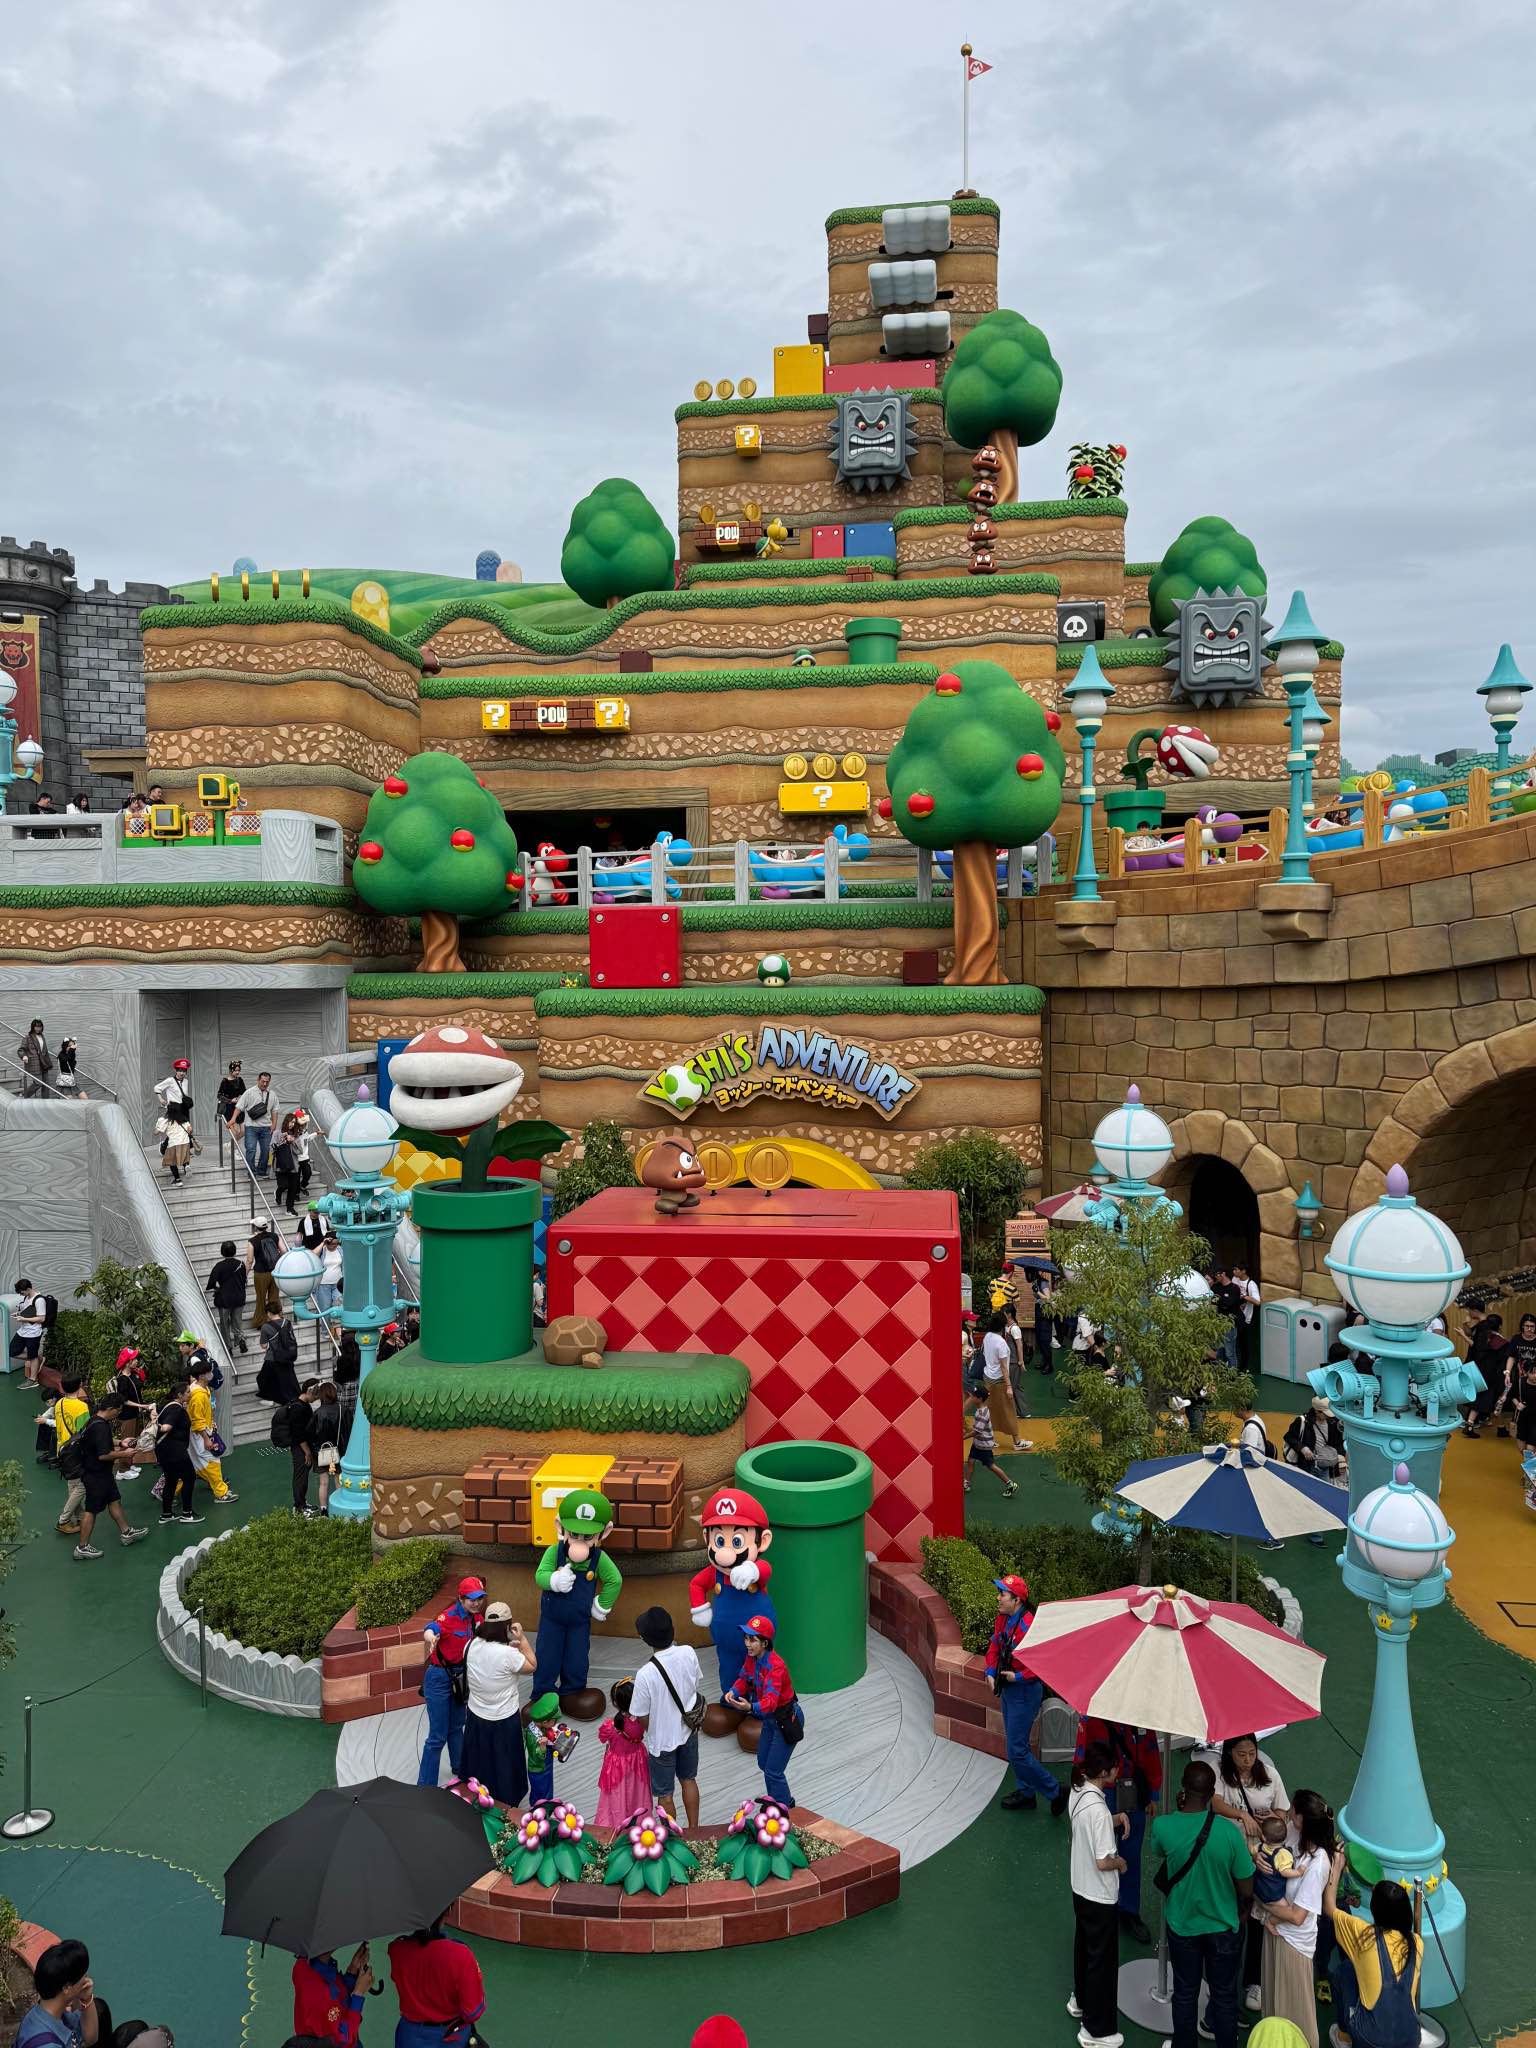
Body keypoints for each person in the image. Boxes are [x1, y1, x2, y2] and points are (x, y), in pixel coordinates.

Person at [1150, 1758, 1255, 2048]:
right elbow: (1247, 1886)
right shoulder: (1228, 1833)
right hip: (1223, 1927)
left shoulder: (1163, 1826)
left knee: (1185, 1993)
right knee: (1224, 1996)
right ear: (1211, 1794)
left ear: (1183, 1788)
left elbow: (1160, 1850)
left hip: (1183, 1926)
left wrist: (1178, 1810)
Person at [1198, 1733, 1290, 2004]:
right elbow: (1215, 1802)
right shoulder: (1218, 1771)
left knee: (1257, 1920)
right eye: (1241, 1754)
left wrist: (1273, 1817)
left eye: (1252, 1753)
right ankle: (1218, 1975)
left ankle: (1253, 1982)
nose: (1248, 1759)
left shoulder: (1270, 1774)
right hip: (1227, 1857)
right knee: (1226, 1915)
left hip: (1261, 1860)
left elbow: (1282, 1811)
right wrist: (1242, 1815)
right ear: (1229, 1753)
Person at [1074, 1716, 1163, 1943]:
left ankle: (1129, 1910)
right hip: (1102, 1790)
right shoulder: (1092, 1717)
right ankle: (1100, 1906)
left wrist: (1153, 1792)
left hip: (1133, 1790)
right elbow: (1081, 1756)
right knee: (1098, 1853)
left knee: (1131, 1853)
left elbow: (1151, 1751)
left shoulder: (1142, 1714)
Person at [1068, 1739, 1131, 2048]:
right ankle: (1096, 2030)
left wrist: (1116, 1818)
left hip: (1079, 1888)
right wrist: (1121, 1863)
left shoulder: (1077, 1790)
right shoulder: (1099, 1812)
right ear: (1105, 1772)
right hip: (1100, 1896)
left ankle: (1080, 2000)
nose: (1118, 1771)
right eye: (1114, 1768)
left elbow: (1089, 1826)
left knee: (1085, 1948)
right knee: (1102, 1964)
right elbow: (1104, 1861)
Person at [1255, 1800, 1333, 2047]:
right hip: (1276, 1933)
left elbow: (1298, 1917)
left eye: (1292, 1813)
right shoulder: (1292, 1836)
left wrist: (1263, 1904)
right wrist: (1258, 1857)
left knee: (1295, 2015)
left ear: (1303, 1821)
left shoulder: (1318, 1863)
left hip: (1293, 1944)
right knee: (1274, 2006)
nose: (1287, 1815)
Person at [986, 1574, 1066, 1815]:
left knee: (1017, 1751)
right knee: (1016, 1746)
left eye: (1002, 1594)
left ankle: (1055, 1790)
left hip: (1024, 1692)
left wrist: (1018, 1677)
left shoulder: (1029, 1625)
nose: (998, 1598)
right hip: (1009, 1689)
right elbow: (994, 1646)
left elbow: (1043, 1664)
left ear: (1017, 1600)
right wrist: (990, 1671)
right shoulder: (1003, 1618)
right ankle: (1026, 1793)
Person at [1323, 1860, 1422, 2048]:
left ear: (1375, 1909)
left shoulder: (1363, 1933)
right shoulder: (1417, 1942)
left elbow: (1329, 1907)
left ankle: (1344, 2038)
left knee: (1345, 1971)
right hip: (1410, 2038)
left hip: (1371, 2040)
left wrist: (1336, 1867)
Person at [630, 1604, 704, 1828]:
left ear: (645, 1639)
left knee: (665, 1794)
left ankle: (671, 1837)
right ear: (672, 1629)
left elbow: (641, 1715)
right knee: (689, 1780)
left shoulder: (645, 1674)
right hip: (689, 1731)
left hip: (661, 1741)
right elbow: (694, 1685)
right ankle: (694, 1831)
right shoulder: (688, 1652)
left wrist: (656, 1728)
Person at [725, 1613, 803, 1811]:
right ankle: (775, 1799)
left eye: (752, 1639)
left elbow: (770, 1702)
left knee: (773, 1770)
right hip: (769, 1719)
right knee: (764, 1763)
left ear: (765, 1643)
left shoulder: (776, 1667)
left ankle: (784, 1807)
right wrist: (734, 1691)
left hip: (786, 1719)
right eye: (746, 1638)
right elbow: (744, 1679)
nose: (747, 1643)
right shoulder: (752, 1658)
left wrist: (750, 1707)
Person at [460, 1598, 532, 1807]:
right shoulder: (509, 1654)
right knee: (504, 1765)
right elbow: (532, 1665)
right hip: (504, 1718)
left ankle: (476, 1795)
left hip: (476, 1714)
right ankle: (506, 1804)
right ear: (507, 1626)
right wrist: (522, 1640)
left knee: (479, 1761)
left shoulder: (470, 1645)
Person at [417, 1575, 489, 1786]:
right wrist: (431, 1638)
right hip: (439, 1678)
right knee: (437, 1735)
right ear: (461, 1598)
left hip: (461, 1677)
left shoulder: (478, 1619)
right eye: (472, 1599)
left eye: (480, 1598)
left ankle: (460, 1768)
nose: (476, 1603)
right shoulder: (447, 1617)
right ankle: (425, 1786)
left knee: (457, 1726)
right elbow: (431, 1628)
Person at [387, 1917, 487, 2048]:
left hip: (408, 2037)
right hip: (450, 2039)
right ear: (446, 1914)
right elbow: (473, 2013)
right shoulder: (461, 1954)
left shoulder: (396, 1949)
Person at [73, 1390, 149, 1559]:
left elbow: (102, 1441)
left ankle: (126, 1532)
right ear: (111, 1408)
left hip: (101, 1473)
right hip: (96, 1474)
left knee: (114, 1500)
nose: (119, 1413)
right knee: (91, 1510)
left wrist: (120, 1442)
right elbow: (103, 1454)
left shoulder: (95, 1420)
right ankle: (82, 1547)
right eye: (119, 1410)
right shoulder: (100, 1426)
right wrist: (124, 1454)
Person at [17, 1937, 113, 2046]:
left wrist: (86, 1999)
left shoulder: (55, 2011)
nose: (87, 1980)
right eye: (84, 1976)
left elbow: (91, 2039)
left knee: (100, 2007)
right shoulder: (46, 2043)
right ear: (67, 1987)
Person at [1284, 1397, 1348, 1542]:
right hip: (1307, 1465)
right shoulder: (1302, 1421)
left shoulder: (1332, 1422)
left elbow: (1338, 1442)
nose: (1327, 1416)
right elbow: (1290, 1437)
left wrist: (1340, 1457)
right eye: (1324, 1413)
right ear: (1317, 1411)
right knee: (1309, 1497)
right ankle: (1312, 1531)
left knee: (1321, 1498)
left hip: (1324, 1466)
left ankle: (1315, 1534)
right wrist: (1303, 1448)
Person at [595, 1677, 652, 1827]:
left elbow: (602, 1738)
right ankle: (640, 1822)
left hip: (616, 1765)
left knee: (617, 1794)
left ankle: (614, 1823)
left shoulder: (609, 1726)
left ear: (615, 1703)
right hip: (638, 1761)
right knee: (637, 1791)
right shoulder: (641, 1721)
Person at [291, 1945, 371, 2047]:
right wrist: (358, 1994)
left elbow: (337, 2001)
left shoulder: (314, 1969)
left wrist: (352, 1971)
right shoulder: (320, 1991)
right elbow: (342, 2040)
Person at [186, 1354, 237, 1505]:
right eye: (209, 1371)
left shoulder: (201, 1389)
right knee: (212, 1462)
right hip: (200, 1435)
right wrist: (206, 1438)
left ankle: (164, 1491)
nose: (211, 1373)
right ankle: (221, 1493)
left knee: (195, 1465)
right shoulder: (198, 1395)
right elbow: (197, 1420)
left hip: (201, 1433)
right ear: (202, 1375)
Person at [153, 1379, 202, 1528]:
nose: (190, 1394)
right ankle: (187, 1513)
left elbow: (154, 1411)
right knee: (189, 1477)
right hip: (175, 1451)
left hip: (163, 1451)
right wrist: (161, 1427)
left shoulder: (167, 1405)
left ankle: (166, 1514)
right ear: (180, 1395)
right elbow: (166, 1427)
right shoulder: (176, 1409)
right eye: (187, 1392)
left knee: (171, 1480)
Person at [981, 1310, 1032, 1451]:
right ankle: (1017, 1442)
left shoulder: (987, 1336)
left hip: (987, 1378)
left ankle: (989, 1439)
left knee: (990, 1409)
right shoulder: (1001, 1343)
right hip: (1000, 1381)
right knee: (1009, 1410)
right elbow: (1004, 1367)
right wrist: (1009, 1386)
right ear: (1003, 1325)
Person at [53, 1372, 91, 1535]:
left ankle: (79, 1517)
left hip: (62, 1449)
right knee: (82, 1485)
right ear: (80, 1385)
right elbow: (84, 1432)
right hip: (76, 1452)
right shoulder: (81, 1407)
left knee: (73, 1485)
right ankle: (63, 1520)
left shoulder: (59, 1403)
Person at [277, 1379, 321, 1515]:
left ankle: (302, 1503)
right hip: (300, 1448)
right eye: (316, 1395)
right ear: (308, 1391)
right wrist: (307, 1452)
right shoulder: (298, 1408)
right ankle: (299, 1507)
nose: (317, 1398)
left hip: (302, 1446)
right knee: (300, 1477)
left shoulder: (302, 1404)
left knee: (302, 1476)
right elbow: (298, 1434)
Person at [1460, 1311, 1508, 1436]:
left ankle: (1501, 1427)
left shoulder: (1482, 1338)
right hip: (1493, 1376)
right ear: (1500, 1326)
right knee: (1495, 1402)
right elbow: (1502, 1362)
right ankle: (1472, 1425)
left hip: (1479, 1372)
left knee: (1484, 1401)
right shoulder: (1501, 1343)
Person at [963, 1391, 1018, 1498]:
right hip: (978, 1443)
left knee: (991, 1465)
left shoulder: (982, 1414)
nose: (971, 1398)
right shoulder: (981, 1409)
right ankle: (966, 1483)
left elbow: (977, 1431)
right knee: (971, 1461)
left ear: (979, 1399)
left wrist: (963, 1437)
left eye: (973, 1397)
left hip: (984, 1445)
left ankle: (1010, 1484)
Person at [229, 1068, 278, 1177]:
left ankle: (261, 1171)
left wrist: (274, 1124)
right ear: (258, 1080)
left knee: (266, 1151)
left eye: (267, 1082)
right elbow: (239, 1107)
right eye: (263, 1081)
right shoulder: (249, 1092)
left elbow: (275, 1110)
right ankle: (251, 1172)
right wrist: (233, 1119)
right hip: (251, 1127)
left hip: (266, 1127)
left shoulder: (272, 1094)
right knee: (251, 1150)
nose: (265, 1084)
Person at [153, 1058, 194, 1183]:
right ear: (176, 1070)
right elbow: (157, 1088)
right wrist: (160, 1099)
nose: (182, 1073)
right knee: (173, 1130)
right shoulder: (170, 1081)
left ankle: (178, 1152)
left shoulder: (186, 1081)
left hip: (183, 1109)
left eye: (184, 1071)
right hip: (173, 1109)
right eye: (180, 1070)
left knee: (184, 1131)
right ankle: (180, 1157)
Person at [206, 1239, 249, 1356]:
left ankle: (228, 1347)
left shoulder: (219, 1266)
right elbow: (244, 1280)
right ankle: (240, 1339)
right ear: (234, 1251)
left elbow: (211, 1283)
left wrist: (217, 1288)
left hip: (224, 1298)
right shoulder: (241, 1264)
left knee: (224, 1323)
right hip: (239, 1297)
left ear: (222, 1252)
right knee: (237, 1320)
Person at [256, 1313, 301, 1406]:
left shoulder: (266, 1327)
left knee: (263, 1378)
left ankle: (269, 1399)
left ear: (269, 1313)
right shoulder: (287, 1322)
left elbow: (263, 1345)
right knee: (288, 1380)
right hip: (287, 1356)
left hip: (273, 1358)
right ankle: (293, 1399)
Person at [311, 1378, 342, 1512]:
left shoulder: (318, 1413)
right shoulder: (343, 1410)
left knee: (323, 1483)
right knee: (339, 1481)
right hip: (340, 1450)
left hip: (322, 1451)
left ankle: (324, 1510)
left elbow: (311, 1433)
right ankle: (340, 1508)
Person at [248, 1215, 283, 1328]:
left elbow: (249, 1260)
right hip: (275, 1272)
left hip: (260, 1273)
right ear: (266, 1226)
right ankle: (276, 1319)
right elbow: (284, 1250)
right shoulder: (274, 1236)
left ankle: (261, 1321)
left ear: (255, 1227)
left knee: (261, 1298)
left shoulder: (252, 1241)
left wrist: (245, 1274)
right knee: (274, 1297)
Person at [13, 1277, 49, 1382]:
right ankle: (39, 1358)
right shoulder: (26, 1298)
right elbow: (27, 1311)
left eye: (22, 1292)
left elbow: (41, 1318)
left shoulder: (39, 1300)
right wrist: (18, 1314)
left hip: (34, 1332)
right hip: (23, 1330)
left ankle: (33, 1379)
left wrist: (24, 1319)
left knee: (32, 1356)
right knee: (13, 1351)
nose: (21, 1295)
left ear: (28, 1289)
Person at [334, 1331, 361, 1451]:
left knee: (345, 1419)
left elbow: (339, 1377)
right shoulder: (361, 1356)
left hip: (345, 1390)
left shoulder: (342, 1360)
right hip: (357, 1387)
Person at [272, 1114, 302, 1214]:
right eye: (291, 1122)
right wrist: (283, 1141)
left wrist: (293, 1141)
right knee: (283, 1185)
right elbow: (272, 1148)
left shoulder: (296, 1136)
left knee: (292, 1188)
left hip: (293, 1166)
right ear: (286, 1121)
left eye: (294, 1123)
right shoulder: (277, 1133)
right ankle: (278, 1192)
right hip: (281, 1165)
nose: (292, 1124)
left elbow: (299, 1151)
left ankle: (290, 1208)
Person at [16, 1019, 54, 1097]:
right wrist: (24, 1056)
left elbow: (44, 1050)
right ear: (32, 1027)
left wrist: (48, 1061)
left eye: (39, 1027)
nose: (38, 1028)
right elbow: (21, 1049)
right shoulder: (28, 1037)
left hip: (43, 1063)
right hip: (34, 1063)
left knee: (46, 1084)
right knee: (38, 1083)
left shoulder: (42, 1036)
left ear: (42, 1027)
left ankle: (46, 1101)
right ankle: (24, 1095)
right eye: (36, 1027)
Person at [1233, 1265, 1261, 1369]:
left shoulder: (1251, 1284)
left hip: (1245, 1318)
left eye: (1236, 1269)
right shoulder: (1234, 1279)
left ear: (1243, 1271)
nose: (1234, 1272)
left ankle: (1243, 1367)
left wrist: (1244, 1296)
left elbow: (1258, 1302)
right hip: (1235, 1316)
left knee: (1243, 1344)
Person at [313, 1231, 343, 1313]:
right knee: (325, 1309)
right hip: (323, 1284)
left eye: (336, 1243)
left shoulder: (340, 1249)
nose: (335, 1245)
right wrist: (323, 1243)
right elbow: (313, 1254)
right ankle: (325, 1322)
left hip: (338, 1284)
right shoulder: (322, 1250)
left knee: (340, 1305)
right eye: (332, 1244)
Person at [216, 1058, 244, 1126]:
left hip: (238, 1107)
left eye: (238, 1070)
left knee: (243, 1130)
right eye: (235, 1070)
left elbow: (244, 1093)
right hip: (228, 1107)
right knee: (233, 1130)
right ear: (231, 1070)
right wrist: (230, 1100)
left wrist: (240, 1098)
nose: (237, 1072)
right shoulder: (225, 1081)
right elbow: (219, 1095)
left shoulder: (240, 1080)